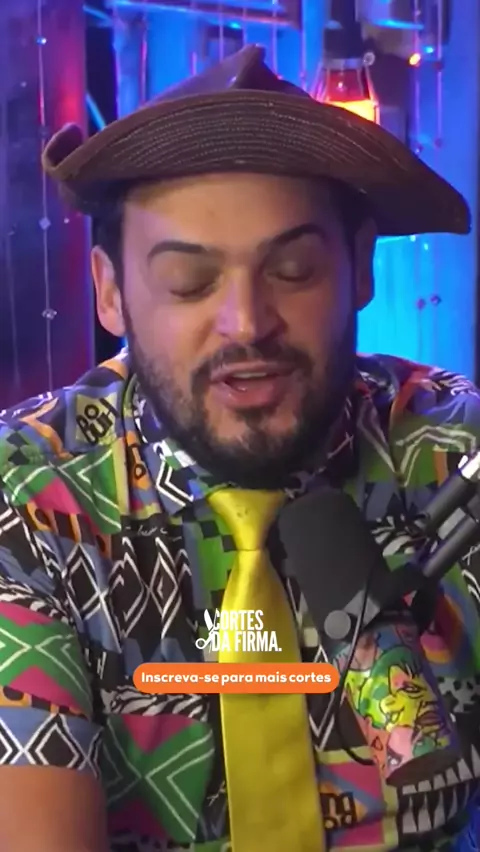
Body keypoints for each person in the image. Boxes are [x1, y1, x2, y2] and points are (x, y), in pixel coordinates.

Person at [0, 42, 479, 852]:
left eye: (292, 269)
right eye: (190, 283)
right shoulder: (28, 495)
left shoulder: (452, 450)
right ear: (111, 293)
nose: (247, 323)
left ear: (360, 268)